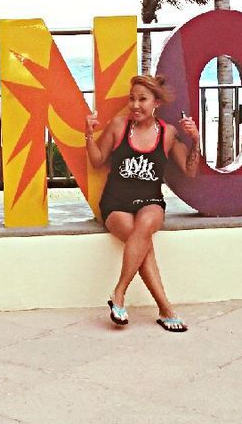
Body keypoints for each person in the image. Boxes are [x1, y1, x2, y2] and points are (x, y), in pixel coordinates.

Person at [85, 74, 200, 332]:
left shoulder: (168, 133)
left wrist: (196, 140)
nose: (135, 105)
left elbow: (189, 170)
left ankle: (119, 293)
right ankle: (165, 309)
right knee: (142, 244)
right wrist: (88, 136)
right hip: (116, 201)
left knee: (145, 225)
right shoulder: (118, 126)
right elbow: (97, 160)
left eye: (143, 99)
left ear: (156, 103)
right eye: (132, 98)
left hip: (150, 200)